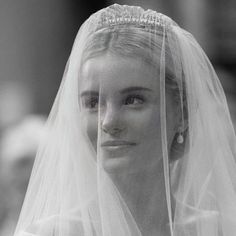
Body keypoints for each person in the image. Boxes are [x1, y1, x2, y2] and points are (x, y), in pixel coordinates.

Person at [14, 4, 236, 236]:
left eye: (133, 100)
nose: (108, 122)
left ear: (182, 113)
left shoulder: (221, 230)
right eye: (92, 103)